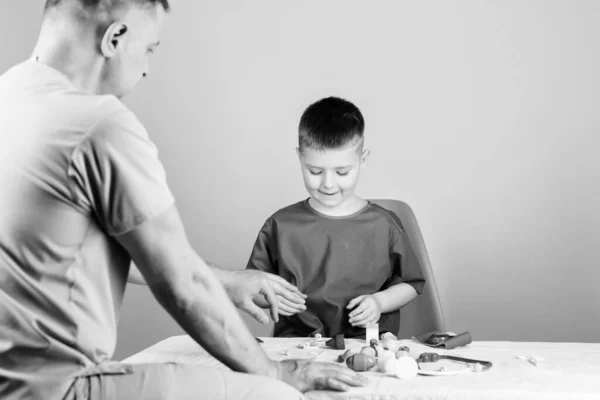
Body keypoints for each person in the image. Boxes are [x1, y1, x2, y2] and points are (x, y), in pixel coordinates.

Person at [0, 1, 368, 399]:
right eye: (150, 48)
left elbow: (93, 249)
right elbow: (181, 285)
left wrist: (227, 282)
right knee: (274, 394)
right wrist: (275, 375)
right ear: (115, 38)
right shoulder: (97, 124)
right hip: (62, 389)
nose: (147, 67)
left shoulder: (10, 100)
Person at [246, 96, 426, 339]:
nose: (328, 184)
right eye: (315, 171)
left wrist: (379, 302)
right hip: (298, 349)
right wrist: (271, 297)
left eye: (342, 172)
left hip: (366, 347)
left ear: (362, 159)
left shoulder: (384, 225)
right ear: (300, 157)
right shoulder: (280, 225)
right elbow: (251, 287)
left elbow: (411, 284)